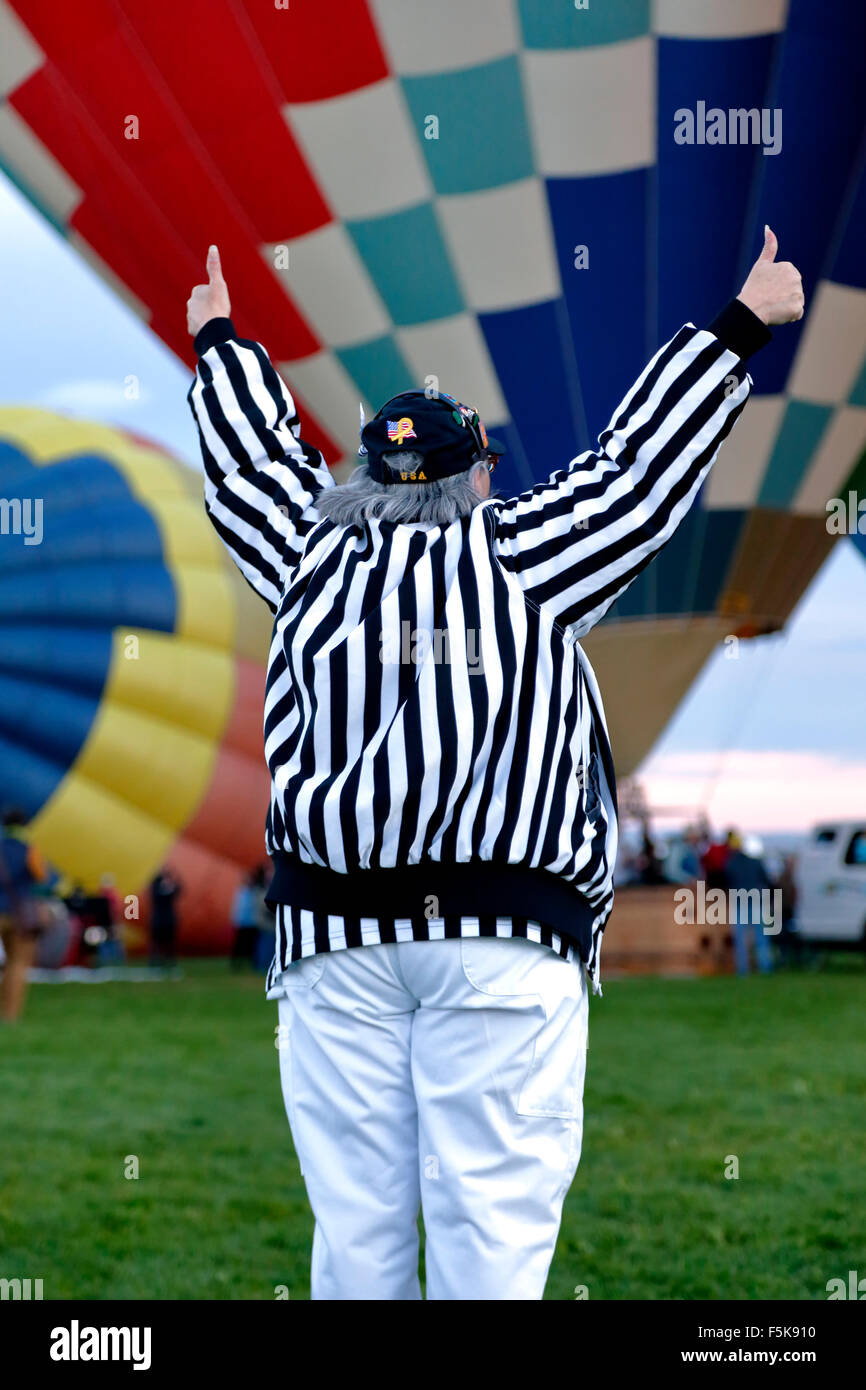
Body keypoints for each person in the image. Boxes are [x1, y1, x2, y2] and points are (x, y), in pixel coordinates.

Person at [186, 229, 804, 1300]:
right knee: (489, 1236)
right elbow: (638, 472)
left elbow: (247, 463)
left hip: (334, 941)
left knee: (357, 1239)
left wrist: (219, 342)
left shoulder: (306, 554)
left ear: (365, 478)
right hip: (500, 934)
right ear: (480, 474)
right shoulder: (522, 551)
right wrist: (739, 323)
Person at [0, 810, 48, 1022]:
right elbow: (40, 876)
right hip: (20, 914)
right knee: (17, 964)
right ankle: (9, 1015)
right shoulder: (30, 850)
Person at [725, 831, 774, 975]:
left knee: (741, 940)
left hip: (740, 904)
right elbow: (767, 881)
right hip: (757, 903)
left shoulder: (730, 864)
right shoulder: (755, 862)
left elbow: (727, 883)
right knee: (761, 937)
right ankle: (765, 966)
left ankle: (743, 969)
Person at [230, 867, 264, 970]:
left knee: (252, 944)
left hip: (252, 922)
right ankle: (236, 964)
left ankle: (253, 963)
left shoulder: (254, 891)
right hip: (242, 922)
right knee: (239, 945)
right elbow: (237, 907)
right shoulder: (242, 891)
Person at [149, 868, 182, 970]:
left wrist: (174, 879)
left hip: (168, 920)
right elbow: (157, 896)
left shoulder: (170, 888)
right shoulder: (156, 888)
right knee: (157, 943)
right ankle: (156, 962)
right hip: (159, 920)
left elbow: (179, 889)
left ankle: (169, 961)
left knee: (169, 943)